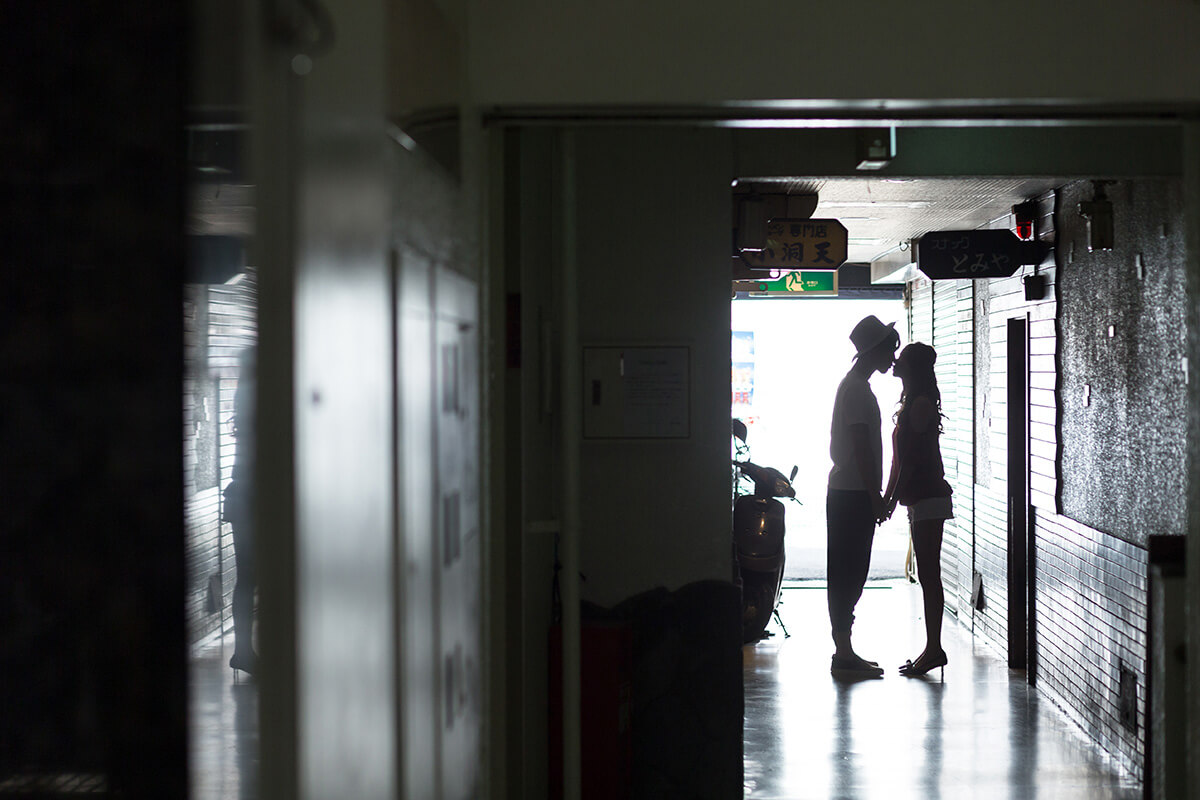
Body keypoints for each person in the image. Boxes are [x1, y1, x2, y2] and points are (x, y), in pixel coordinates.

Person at [826, 315, 899, 678]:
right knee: (847, 573)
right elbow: (861, 449)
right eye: (890, 348)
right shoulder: (856, 389)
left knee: (850, 571)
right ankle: (843, 653)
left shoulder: (857, 386)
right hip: (852, 494)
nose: (893, 356)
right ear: (874, 351)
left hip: (850, 492)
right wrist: (876, 495)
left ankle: (846, 651)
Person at [881, 343, 953, 678]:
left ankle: (934, 648)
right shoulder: (914, 402)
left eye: (902, 359)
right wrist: (889, 497)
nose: (895, 362)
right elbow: (899, 462)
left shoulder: (920, 404)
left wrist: (890, 500)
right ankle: (932, 648)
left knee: (929, 574)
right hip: (921, 500)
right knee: (927, 574)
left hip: (929, 497)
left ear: (912, 368)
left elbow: (908, 462)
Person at [223, 345, 257, 676]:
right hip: (253, 496)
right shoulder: (256, 394)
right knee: (251, 578)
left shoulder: (243, 393)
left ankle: (243, 650)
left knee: (246, 577)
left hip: (242, 496)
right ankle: (244, 650)